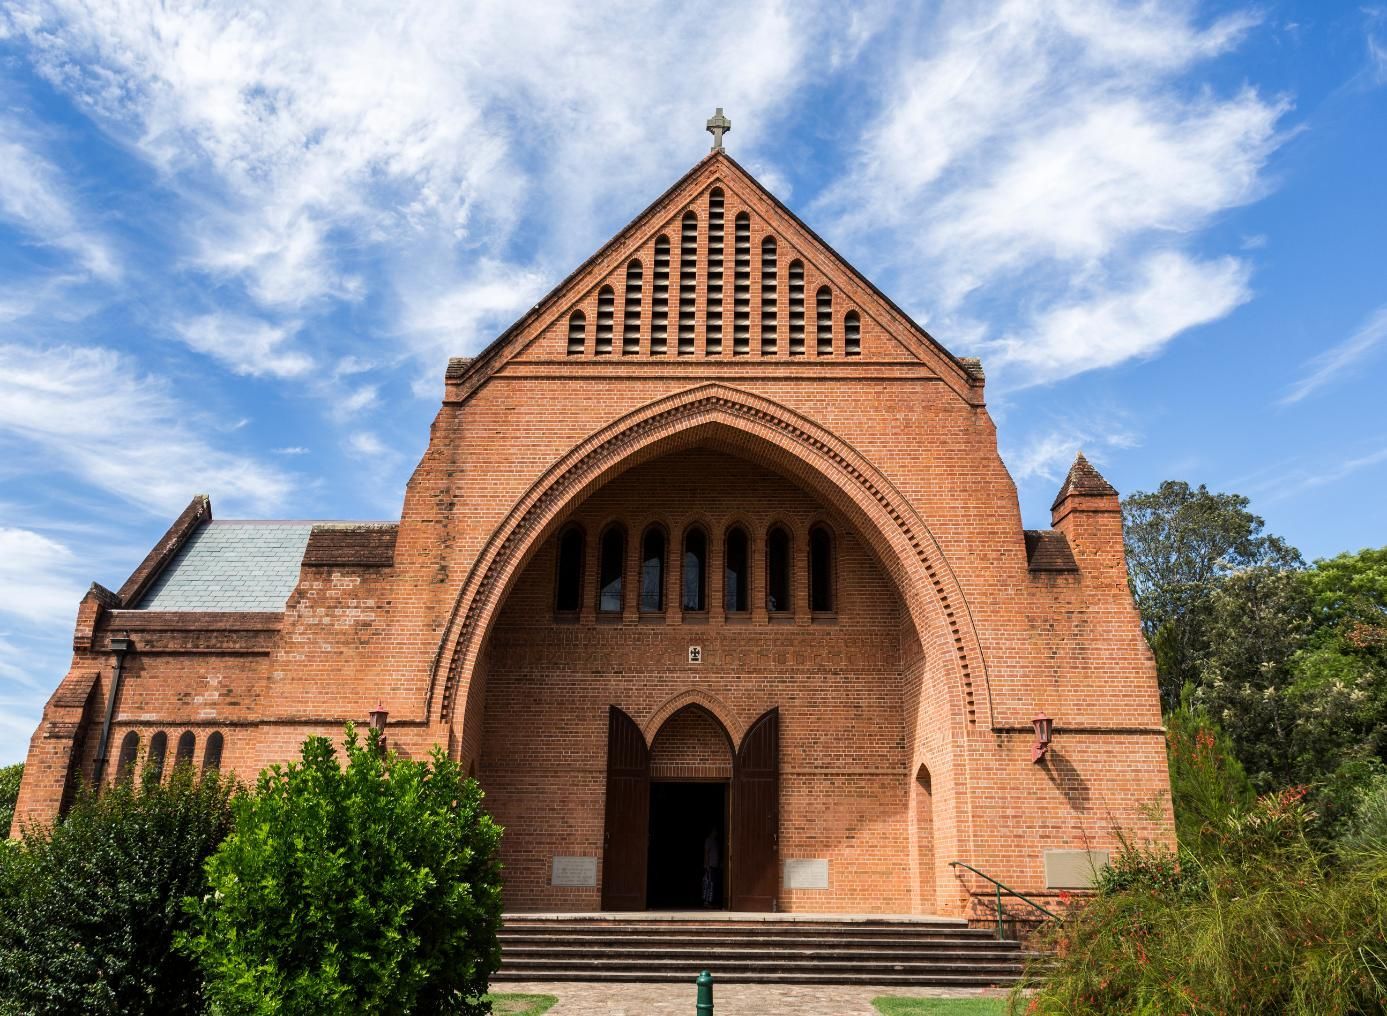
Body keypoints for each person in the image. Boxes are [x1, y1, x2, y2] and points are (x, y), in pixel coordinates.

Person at [702, 828, 720, 907]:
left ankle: (711, 901)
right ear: (712, 831)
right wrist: (706, 865)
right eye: (715, 831)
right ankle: (706, 902)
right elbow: (706, 853)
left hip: (714, 866)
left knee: (713, 884)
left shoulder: (715, 841)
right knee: (708, 884)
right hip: (710, 866)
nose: (716, 832)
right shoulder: (708, 840)